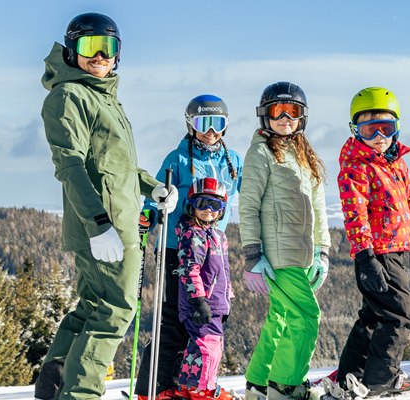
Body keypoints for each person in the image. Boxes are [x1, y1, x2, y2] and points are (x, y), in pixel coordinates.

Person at [36, 12, 179, 400]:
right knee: (116, 311)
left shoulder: (102, 97)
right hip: (106, 225)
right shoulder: (69, 97)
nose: (100, 56)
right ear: (71, 50)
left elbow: (116, 167)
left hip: (118, 220)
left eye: (109, 47)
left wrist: (152, 188)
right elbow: (70, 165)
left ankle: (58, 375)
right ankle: (80, 393)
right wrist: (99, 223)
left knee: (93, 305)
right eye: (89, 47)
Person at [317, 87, 410, 399]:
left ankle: (351, 375)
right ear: (356, 131)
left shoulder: (397, 163)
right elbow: (355, 214)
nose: (380, 136)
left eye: (387, 128)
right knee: (399, 315)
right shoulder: (357, 165)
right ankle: (382, 379)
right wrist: (365, 257)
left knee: (373, 316)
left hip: (399, 250)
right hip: (377, 253)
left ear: (397, 128)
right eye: (370, 129)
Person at [136, 95, 243, 400]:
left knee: (204, 320)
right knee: (174, 317)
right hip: (176, 248)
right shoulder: (177, 159)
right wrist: (150, 215)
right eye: (203, 123)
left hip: (213, 251)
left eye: (217, 124)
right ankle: (155, 387)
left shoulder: (232, 161)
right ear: (190, 124)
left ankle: (188, 383)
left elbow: (250, 193)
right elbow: (156, 195)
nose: (211, 131)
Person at [238, 81, 332, 400]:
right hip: (279, 255)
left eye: (293, 111)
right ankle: (287, 387)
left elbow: (318, 207)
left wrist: (322, 251)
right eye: (278, 111)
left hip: (303, 253)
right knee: (306, 317)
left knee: (280, 317)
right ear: (265, 115)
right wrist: (252, 254)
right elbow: (248, 204)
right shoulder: (261, 152)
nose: (285, 118)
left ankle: (259, 384)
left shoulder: (304, 154)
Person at [164, 177, 237, 400]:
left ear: (222, 210)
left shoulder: (218, 235)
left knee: (207, 347)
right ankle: (201, 389)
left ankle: (192, 386)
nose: (208, 210)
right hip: (200, 305)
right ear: (191, 206)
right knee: (207, 347)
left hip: (216, 304)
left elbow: (223, 269)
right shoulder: (192, 235)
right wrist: (198, 300)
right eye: (202, 203)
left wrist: (227, 298)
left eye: (214, 205)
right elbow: (189, 268)